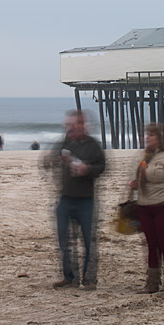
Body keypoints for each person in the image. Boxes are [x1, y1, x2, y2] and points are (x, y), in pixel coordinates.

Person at [44, 110, 106, 290]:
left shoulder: (92, 144)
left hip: (86, 200)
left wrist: (86, 169)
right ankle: (69, 277)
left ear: (82, 124)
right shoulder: (63, 143)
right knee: (64, 241)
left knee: (89, 242)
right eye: (68, 124)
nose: (70, 128)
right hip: (65, 199)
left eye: (73, 124)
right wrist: (54, 160)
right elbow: (47, 161)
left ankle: (89, 279)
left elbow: (102, 167)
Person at [127, 123, 164, 293]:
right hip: (144, 205)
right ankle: (151, 284)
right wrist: (134, 184)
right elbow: (135, 177)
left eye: (151, 134)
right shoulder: (141, 156)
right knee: (151, 245)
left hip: (163, 205)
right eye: (147, 134)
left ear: (160, 138)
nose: (147, 137)